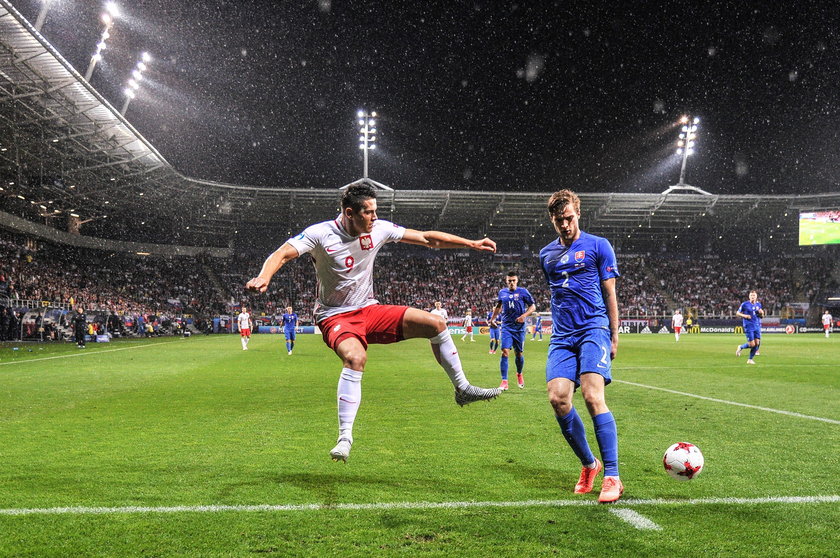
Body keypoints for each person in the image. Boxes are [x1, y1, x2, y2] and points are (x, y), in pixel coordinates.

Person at [246, 184, 501, 463]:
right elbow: (282, 253)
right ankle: (345, 437)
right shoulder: (321, 233)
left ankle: (462, 389)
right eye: (368, 212)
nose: (374, 218)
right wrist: (264, 276)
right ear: (349, 213)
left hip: (369, 309)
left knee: (436, 323)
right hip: (335, 315)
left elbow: (428, 239)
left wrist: (471, 243)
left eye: (376, 211)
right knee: (356, 358)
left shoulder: (378, 229)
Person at [539, 189, 623, 504]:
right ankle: (590, 465)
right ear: (552, 220)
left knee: (591, 395)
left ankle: (612, 476)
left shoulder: (599, 246)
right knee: (558, 399)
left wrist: (614, 335)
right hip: (562, 336)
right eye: (559, 220)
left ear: (578, 213)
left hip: (593, 328)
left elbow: (610, 293)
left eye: (570, 218)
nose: (565, 225)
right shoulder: (546, 254)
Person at [490, 271, 535, 390]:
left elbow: (533, 306)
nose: (511, 283)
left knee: (518, 353)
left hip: (519, 328)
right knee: (505, 351)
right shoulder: (502, 293)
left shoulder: (523, 292)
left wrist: (524, 316)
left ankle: (519, 374)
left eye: (513, 280)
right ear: (506, 281)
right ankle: (504, 381)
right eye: (509, 281)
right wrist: (493, 318)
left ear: (517, 281)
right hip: (506, 327)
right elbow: (498, 306)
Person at [735, 290, 764, 365]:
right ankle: (741, 347)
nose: (752, 297)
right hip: (748, 326)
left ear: (756, 296)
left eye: (754, 295)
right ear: (749, 296)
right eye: (751, 295)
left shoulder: (758, 305)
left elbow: (761, 316)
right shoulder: (745, 304)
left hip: (757, 325)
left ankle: (750, 359)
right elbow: (737, 313)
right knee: (752, 344)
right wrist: (745, 316)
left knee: (757, 343)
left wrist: (762, 313)